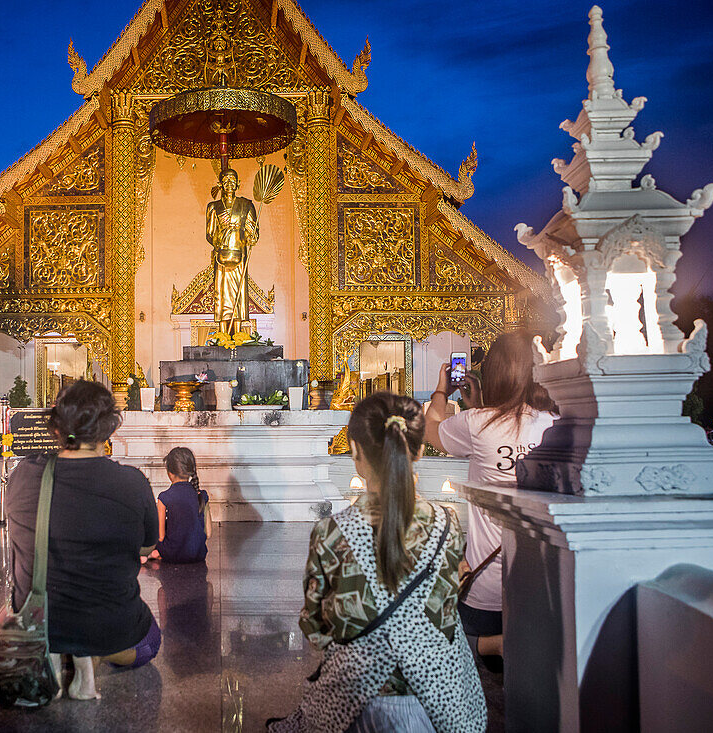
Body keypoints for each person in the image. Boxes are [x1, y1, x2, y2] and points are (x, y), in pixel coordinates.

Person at [270, 392, 485, 733]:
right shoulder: (446, 523)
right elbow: (445, 613)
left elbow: (315, 626)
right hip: (432, 697)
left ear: (355, 452)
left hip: (354, 701)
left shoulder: (332, 532)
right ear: (418, 449)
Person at [4, 380, 161, 700]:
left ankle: (55, 652)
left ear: (56, 427)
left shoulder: (22, 475)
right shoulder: (133, 483)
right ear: (109, 429)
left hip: (42, 621)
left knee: (17, 606)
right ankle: (92, 656)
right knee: (150, 642)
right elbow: (148, 547)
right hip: (110, 627)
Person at [423, 330, 558, 665]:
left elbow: (431, 429)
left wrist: (443, 388)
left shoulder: (477, 423)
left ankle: (490, 645)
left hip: (486, 592)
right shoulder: (553, 424)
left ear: (494, 372)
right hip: (540, 587)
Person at [206, 167, 259, 336]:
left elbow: (253, 231)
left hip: (239, 254)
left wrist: (250, 237)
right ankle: (222, 332)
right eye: (226, 180)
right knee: (221, 294)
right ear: (220, 184)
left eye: (232, 180)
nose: (229, 183)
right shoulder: (214, 207)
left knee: (238, 293)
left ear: (238, 184)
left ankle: (237, 332)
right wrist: (220, 238)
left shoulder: (246, 205)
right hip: (222, 255)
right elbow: (209, 233)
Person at [150, 447, 210, 564]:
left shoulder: (164, 497)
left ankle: (153, 555)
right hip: (198, 554)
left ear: (169, 473)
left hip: (172, 555)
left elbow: (160, 537)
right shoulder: (202, 495)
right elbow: (208, 533)